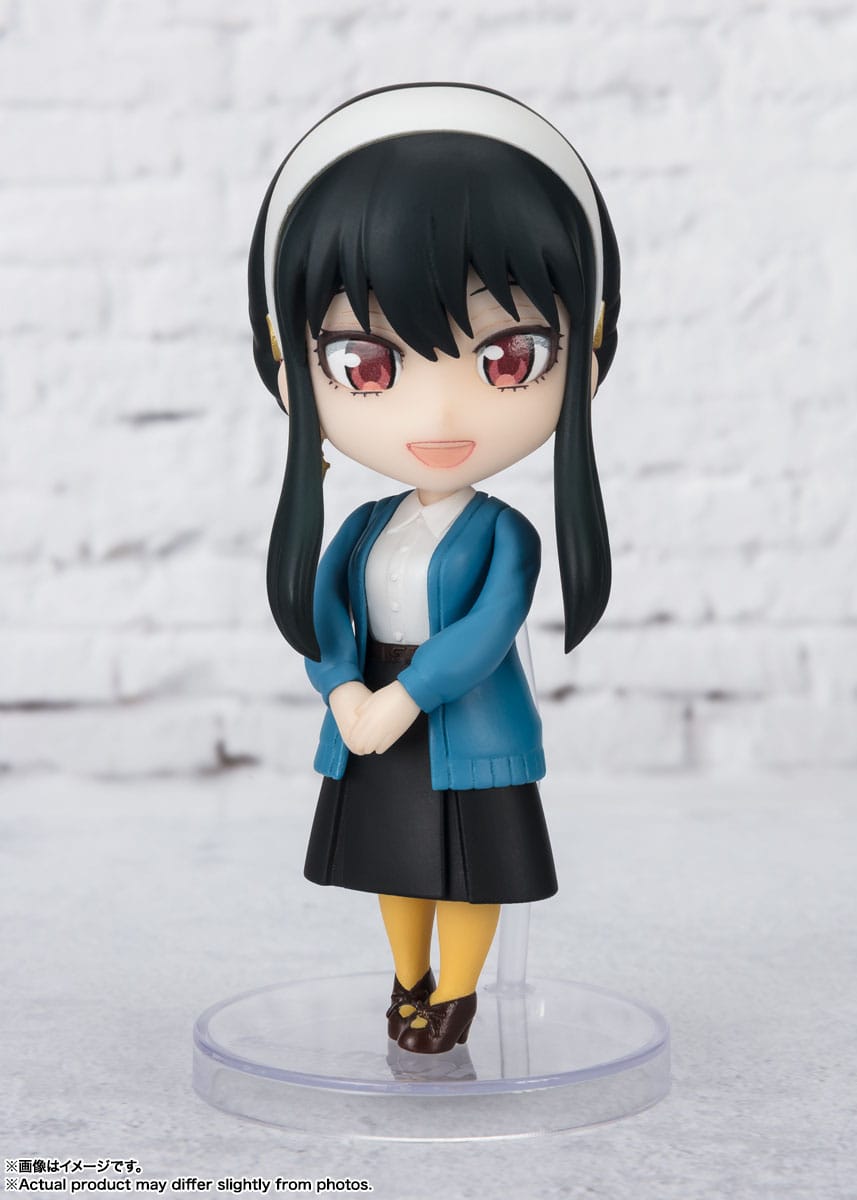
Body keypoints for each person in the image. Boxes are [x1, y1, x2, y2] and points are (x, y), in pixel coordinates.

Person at [247, 83, 620, 1053]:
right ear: (289, 365)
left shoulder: (504, 534)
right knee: (393, 863)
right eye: (366, 366)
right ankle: (405, 978)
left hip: (462, 720)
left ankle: (455, 995)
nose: (440, 416)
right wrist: (342, 691)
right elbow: (324, 615)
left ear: (584, 351)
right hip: (368, 714)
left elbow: (486, 632)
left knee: (471, 871)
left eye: (508, 358)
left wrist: (404, 698)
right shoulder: (363, 524)